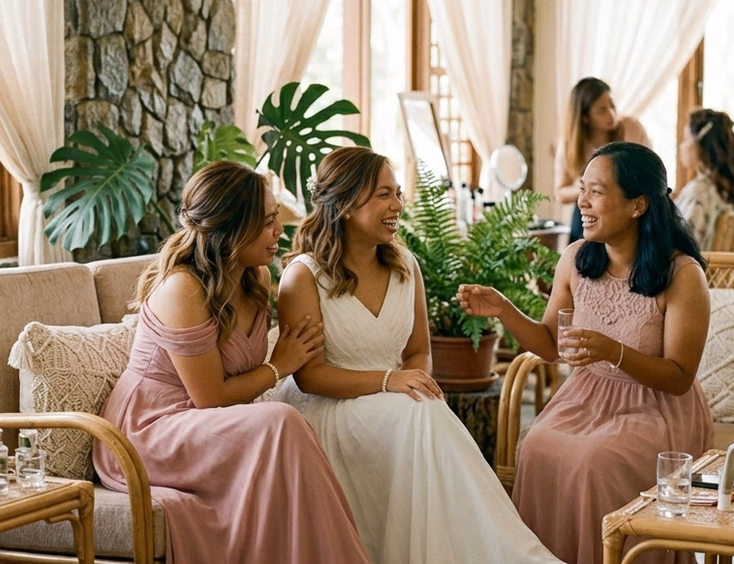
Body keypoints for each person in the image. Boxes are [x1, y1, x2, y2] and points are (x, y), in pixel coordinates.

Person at [274, 146, 564, 564]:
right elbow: (309, 377)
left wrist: (409, 381)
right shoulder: (303, 276)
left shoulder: (405, 266)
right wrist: (390, 383)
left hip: (393, 406)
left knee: (423, 410)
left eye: (397, 194)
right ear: (346, 205)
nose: (396, 206)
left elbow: (419, 352)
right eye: (383, 195)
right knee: (421, 413)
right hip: (326, 409)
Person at [93, 161, 371, 564]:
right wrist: (280, 365)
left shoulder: (255, 277)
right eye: (268, 222)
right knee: (281, 421)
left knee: (294, 427)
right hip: (148, 432)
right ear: (231, 229)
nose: (280, 232)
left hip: (204, 423)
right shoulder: (183, 289)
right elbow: (211, 398)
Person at [458, 142, 713, 564]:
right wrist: (503, 308)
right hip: (586, 398)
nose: (581, 203)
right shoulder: (576, 259)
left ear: (638, 205)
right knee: (537, 445)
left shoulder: (682, 275)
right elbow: (549, 344)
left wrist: (614, 351)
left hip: (657, 406)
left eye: (596, 191)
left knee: (594, 460)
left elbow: (680, 376)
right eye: (582, 189)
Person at [555, 77, 651, 243]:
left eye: (612, 106)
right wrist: (590, 188)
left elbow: (650, 171)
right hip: (589, 215)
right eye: (602, 110)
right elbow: (560, 193)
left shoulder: (631, 128)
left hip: (627, 209)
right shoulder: (569, 145)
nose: (611, 114)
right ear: (585, 117)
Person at [675, 107, 734, 250]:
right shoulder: (722, 190)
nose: (680, 147)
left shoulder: (699, 192)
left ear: (698, 145)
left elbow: (682, 246)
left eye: (685, 140)